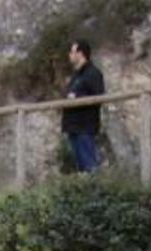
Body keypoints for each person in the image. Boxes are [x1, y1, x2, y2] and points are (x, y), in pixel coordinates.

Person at [62, 39, 105, 173]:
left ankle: (95, 191)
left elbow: (99, 96)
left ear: (80, 54)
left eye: (72, 51)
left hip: (85, 126)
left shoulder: (93, 73)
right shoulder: (75, 76)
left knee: (89, 165)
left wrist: (77, 98)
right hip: (73, 127)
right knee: (81, 167)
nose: (69, 55)